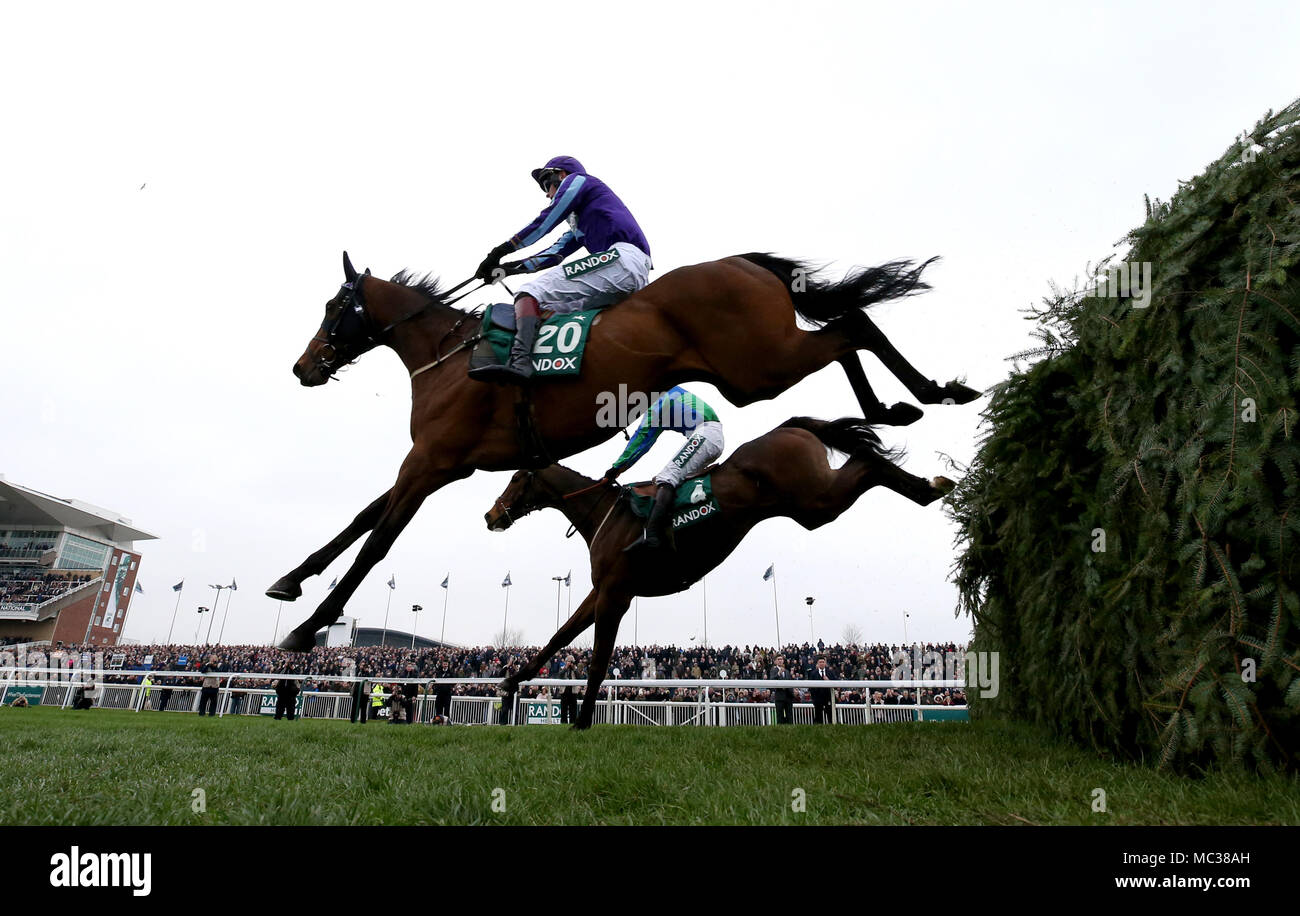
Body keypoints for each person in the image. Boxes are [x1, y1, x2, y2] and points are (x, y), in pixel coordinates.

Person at [470, 156, 653, 384]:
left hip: (621, 259)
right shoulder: (578, 220)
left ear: (561, 175)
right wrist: (507, 270)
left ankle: (520, 363)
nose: (547, 194)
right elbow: (554, 254)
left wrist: (499, 252)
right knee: (545, 307)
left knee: (529, 292)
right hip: (625, 272)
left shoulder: (579, 180)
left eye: (548, 185)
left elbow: (546, 221)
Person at [604, 386, 724, 554]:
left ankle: (651, 534)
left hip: (706, 435)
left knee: (666, 477)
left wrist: (615, 469)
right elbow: (647, 441)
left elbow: (642, 438)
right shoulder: (666, 391)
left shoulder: (657, 402)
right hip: (708, 435)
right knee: (666, 480)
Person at [807, 654, 836, 724]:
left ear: (825, 663)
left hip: (828, 698)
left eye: (823, 662)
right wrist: (814, 698)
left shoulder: (830, 673)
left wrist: (828, 681)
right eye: (820, 662)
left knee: (830, 717)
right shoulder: (813, 674)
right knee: (818, 717)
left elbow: (836, 684)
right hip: (818, 699)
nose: (822, 663)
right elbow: (810, 687)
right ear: (817, 663)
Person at [769, 655, 795, 725]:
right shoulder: (773, 670)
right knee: (780, 717)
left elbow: (790, 683)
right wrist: (778, 673)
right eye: (778, 659)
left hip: (788, 696)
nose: (780, 660)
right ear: (775, 661)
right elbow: (771, 680)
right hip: (779, 697)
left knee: (790, 717)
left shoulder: (786, 671)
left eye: (781, 659)